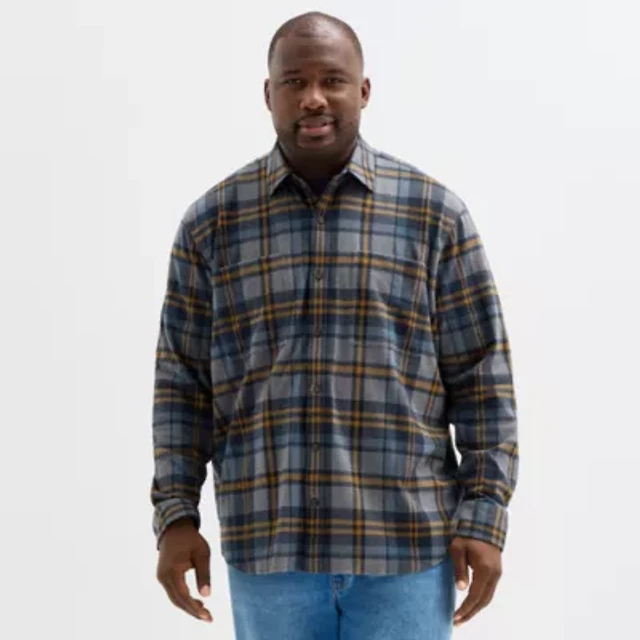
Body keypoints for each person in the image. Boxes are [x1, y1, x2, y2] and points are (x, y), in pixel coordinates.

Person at [150, 10, 519, 640]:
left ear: (364, 90)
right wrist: (176, 516)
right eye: (294, 82)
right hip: (270, 553)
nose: (313, 98)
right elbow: (182, 385)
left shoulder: (434, 217)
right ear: (268, 93)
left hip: (407, 548)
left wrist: (484, 516)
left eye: (333, 80)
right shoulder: (212, 225)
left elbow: (483, 377)